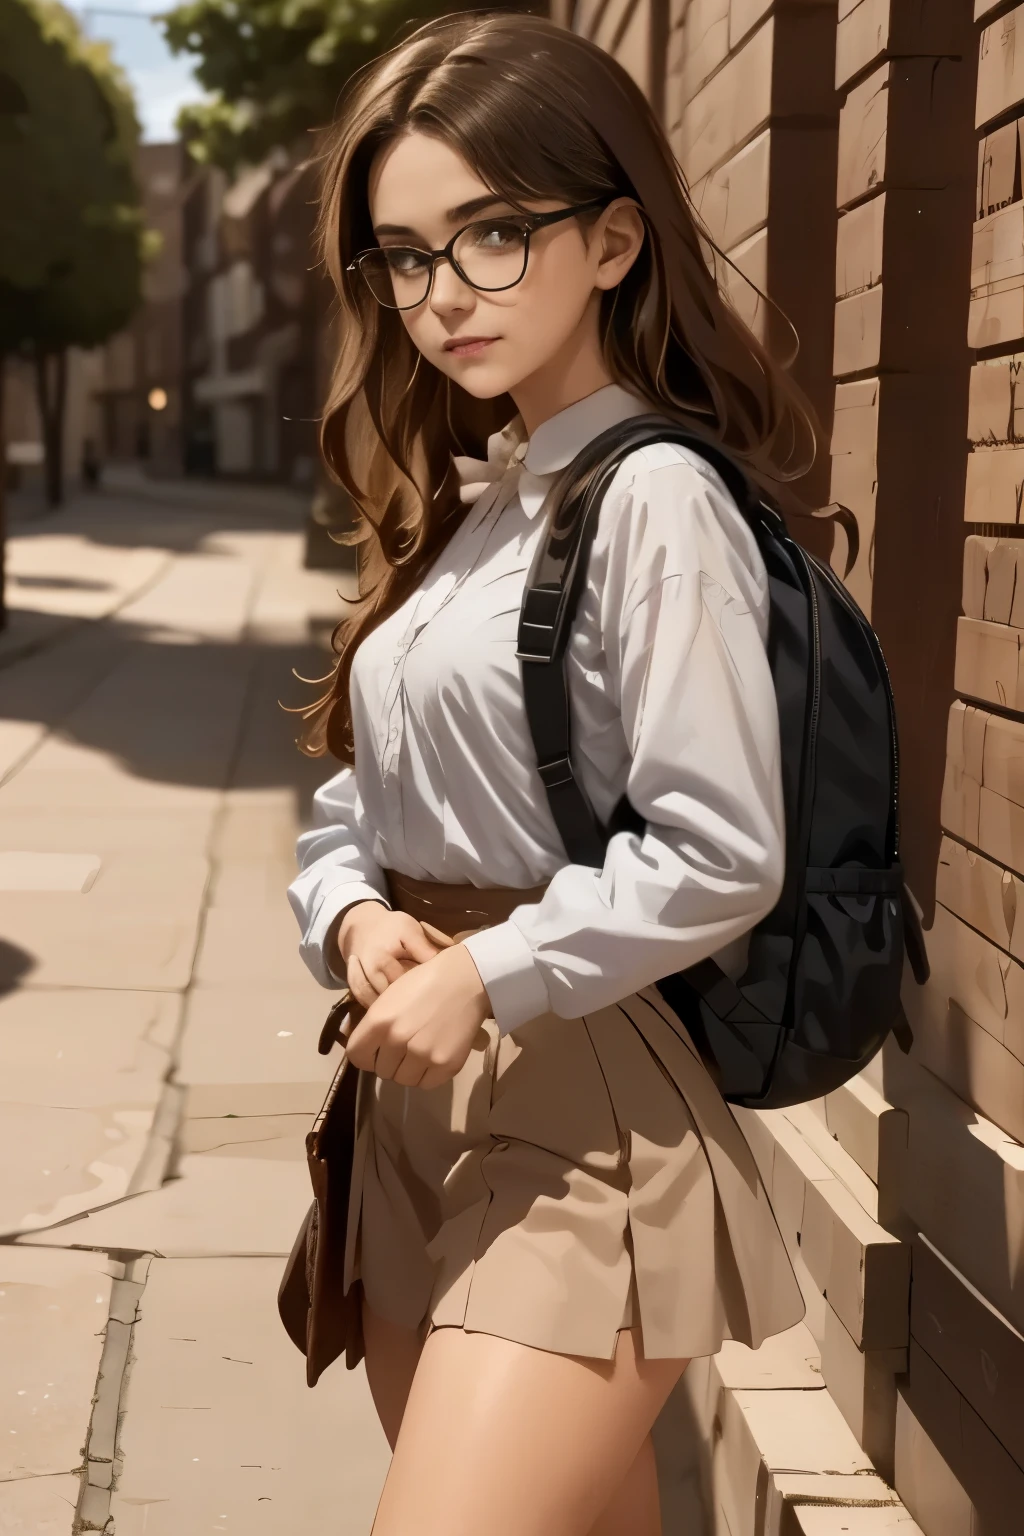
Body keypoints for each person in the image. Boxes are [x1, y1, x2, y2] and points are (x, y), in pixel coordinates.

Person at [287, 13, 811, 1534]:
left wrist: (490, 972)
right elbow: (356, 806)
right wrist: (349, 919)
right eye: (406, 254)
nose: (443, 293)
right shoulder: (484, 498)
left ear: (615, 240)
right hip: (410, 1100)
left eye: (494, 235)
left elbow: (722, 848)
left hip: (581, 1100)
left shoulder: (653, 496)